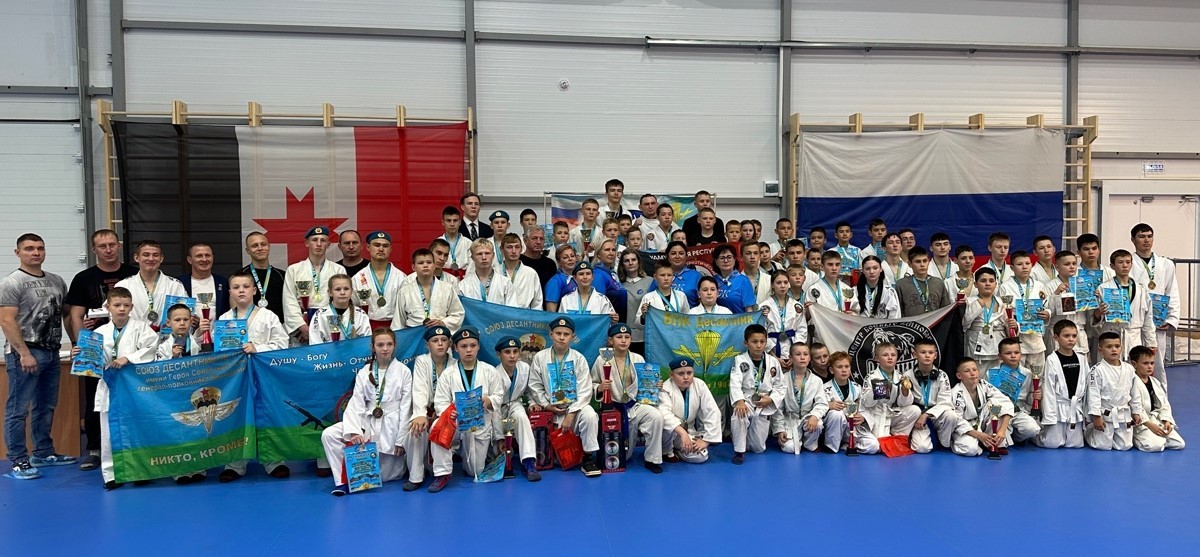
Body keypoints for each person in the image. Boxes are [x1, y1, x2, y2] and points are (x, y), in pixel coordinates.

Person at [63, 229, 137, 471]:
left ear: (119, 246)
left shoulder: (132, 274)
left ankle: (135, 445)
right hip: (96, 346)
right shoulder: (84, 278)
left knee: (133, 396)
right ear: (94, 249)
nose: (108, 250)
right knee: (96, 398)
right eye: (102, 246)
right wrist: (81, 346)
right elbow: (76, 315)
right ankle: (95, 449)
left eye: (112, 245)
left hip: (128, 344)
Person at [1, 233, 73, 479]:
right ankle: (18, 460)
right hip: (25, 353)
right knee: (18, 409)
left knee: (46, 406)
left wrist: (77, 342)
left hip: (52, 352)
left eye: (40, 248)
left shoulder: (57, 280)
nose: (35, 252)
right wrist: (23, 353)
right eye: (29, 248)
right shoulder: (12, 282)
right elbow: (6, 320)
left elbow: (66, 314)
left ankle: (43, 452)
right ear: (18, 252)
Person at [216, 272, 290, 483]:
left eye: (245, 286)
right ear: (230, 292)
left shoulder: (268, 316)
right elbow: (219, 350)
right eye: (236, 287)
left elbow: (282, 343)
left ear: (254, 290)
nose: (241, 290)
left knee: (266, 415)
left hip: (263, 376)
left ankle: (274, 461)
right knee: (236, 416)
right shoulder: (224, 320)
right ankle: (235, 464)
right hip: (235, 379)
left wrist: (258, 348)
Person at [323, 328, 414, 496]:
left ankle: (361, 475)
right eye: (380, 345)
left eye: (389, 344)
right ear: (373, 347)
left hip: (392, 425)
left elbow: (406, 407)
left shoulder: (404, 372)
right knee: (329, 434)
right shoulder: (365, 372)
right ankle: (342, 482)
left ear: (395, 346)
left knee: (386, 476)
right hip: (369, 421)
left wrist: (401, 440)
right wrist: (355, 430)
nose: (385, 349)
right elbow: (356, 403)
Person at [86, 287, 159, 489]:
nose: (121, 309)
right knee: (109, 432)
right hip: (110, 387)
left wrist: (128, 358)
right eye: (117, 305)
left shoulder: (141, 328)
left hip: (135, 387)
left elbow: (151, 348)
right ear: (108, 307)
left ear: (131, 307)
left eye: (126, 305)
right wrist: (82, 354)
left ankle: (141, 472)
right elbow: (93, 362)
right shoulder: (99, 333)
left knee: (137, 429)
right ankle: (111, 475)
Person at [428, 327, 505, 492]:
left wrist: (489, 401)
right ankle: (442, 473)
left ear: (478, 347)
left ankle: (466, 457)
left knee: (474, 471)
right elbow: (440, 401)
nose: (468, 350)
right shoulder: (448, 374)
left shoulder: (490, 371)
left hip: (479, 423)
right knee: (436, 426)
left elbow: (499, 395)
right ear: (455, 348)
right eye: (463, 346)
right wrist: (449, 412)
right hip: (455, 423)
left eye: (472, 345)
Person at [528, 317, 602, 477]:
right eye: (558, 333)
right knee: (555, 459)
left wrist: (571, 414)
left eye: (566, 334)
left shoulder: (578, 358)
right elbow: (535, 385)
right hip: (551, 410)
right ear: (551, 334)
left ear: (572, 337)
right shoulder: (540, 357)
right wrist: (546, 405)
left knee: (590, 415)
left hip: (574, 409)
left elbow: (585, 390)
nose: (562, 337)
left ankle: (588, 458)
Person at [591, 324, 665, 473]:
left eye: (627, 337)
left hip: (634, 405)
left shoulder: (638, 358)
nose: (623, 340)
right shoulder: (602, 359)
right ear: (610, 341)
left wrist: (655, 385)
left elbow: (645, 382)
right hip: (612, 408)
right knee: (625, 456)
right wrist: (599, 388)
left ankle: (652, 459)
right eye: (619, 337)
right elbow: (592, 383)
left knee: (656, 416)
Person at [155, 303, 209, 485]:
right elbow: (157, 370)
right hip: (174, 396)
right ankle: (180, 470)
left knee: (197, 430)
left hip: (195, 393)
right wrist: (172, 357)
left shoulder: (197, 342)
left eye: (186, 319)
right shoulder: (163, 346)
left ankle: (199, 467)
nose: (182, 323)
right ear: (168, 323)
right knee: (178, 432)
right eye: (177, 320)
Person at [1128, 223, 1180, 390]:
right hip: (1135, 322)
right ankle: (1135, 399)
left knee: (1156, 366)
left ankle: (1160, 400)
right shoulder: (1128, 263)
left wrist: (1171, 319)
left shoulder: (1166, 264)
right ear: (1133, 240)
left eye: (1149, 236)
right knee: (1134, 363)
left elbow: (1172, 291)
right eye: (1141, 237)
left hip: (1158, 322)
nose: (1146, 240)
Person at [404, 326, 455, 491]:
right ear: (427, 345)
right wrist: (420, 414)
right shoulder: (422, 361)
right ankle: (415, 476)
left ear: (449, 343)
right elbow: (419, 389)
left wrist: (442, 414)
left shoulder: (455, 364)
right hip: (425, 409)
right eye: (435, 341)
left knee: (440, 426)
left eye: (444, 340)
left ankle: (442, 473)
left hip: (447, 412)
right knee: (416, 429)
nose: (440, 344)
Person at [729, 324, 785, 464]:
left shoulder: (773, 362)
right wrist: (739, 401)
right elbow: (735, 382)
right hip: (746, 398)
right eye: (754, 342)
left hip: (764, 401)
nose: (759, 345)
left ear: (766, 342)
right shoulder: (740, 360)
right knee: (738, 414)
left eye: (762, 341)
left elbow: (780, 386)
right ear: (746, 343)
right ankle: (739, 451)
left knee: (758, 448)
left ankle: (742, 438)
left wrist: (771, 399)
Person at [281, 227, 347, 344]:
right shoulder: (294, 269)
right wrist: (301, 326)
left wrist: (330, 327)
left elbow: (342, 300)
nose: (319, 244)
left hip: (330, 325)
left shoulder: (338, 270)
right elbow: (289, 300)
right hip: (302, 326)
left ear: (328, 244)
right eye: (314, 240)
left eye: (323, 240)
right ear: (307, 243)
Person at [856, 342, 920, 455]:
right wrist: (878, 389)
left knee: (915, 410)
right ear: (877, 359)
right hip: (876, 414)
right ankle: (853, 443)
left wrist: (905, 391)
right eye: (885, 355)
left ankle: (897, 435)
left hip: (891, 413)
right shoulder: (871, 377)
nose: (890, 357)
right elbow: (867, 403)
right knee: (879, 447)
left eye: (893, 355)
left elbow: (904, 404)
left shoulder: (900, 377)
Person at [493, 336, 542, 481]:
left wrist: (532, 403)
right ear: (499, 354)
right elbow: (494, 407)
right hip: (497, 410)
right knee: (496, 452)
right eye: (507, 352)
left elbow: (529, 390)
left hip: (514, 404)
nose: (512, 356)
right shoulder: (494, 373)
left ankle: (529, 461)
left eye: (515, 351)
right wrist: (499, 437)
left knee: (521, 416)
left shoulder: (525, 368)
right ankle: (505, 459)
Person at [1094, 249, 1156, 361]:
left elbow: (1148, 317)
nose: (1125, 265)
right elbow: (1095, 316)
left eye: (1128, 262)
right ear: (1112, 266)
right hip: (1111, 334)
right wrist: (1099, 313)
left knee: (1133, 368)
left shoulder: (1141, 289)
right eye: (1120, 262)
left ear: (1131, 264)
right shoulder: (1103, 288)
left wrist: (1151, 342)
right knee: (1110, 368)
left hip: (1133, 335)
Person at [1086, 332, 1144, 451]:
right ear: (1100, 350)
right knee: (1102, 446)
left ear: (1121, 348)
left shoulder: (1129, 369)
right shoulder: (1097, 370)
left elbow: (1135, 393)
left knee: (1125, 446)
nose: (1114, 350)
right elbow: (1093, 394)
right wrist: (1096, 416)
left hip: (1123, 414)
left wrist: (1136, 411)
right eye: (1109, 347)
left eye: (1117, 346)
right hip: (1105, 414)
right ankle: (1088, 431)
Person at [658, 356, 721, 464]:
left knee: (700, 457)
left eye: (689, 373)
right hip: (671, 432)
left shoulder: (700, 385)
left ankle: (678, 450)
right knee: (664, 425)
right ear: (671, 375)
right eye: (681, 374)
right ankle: (667, 451)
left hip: (689, 430)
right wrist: (683, 433)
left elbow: (712, 411)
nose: (686, 377)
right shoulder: (664, 388)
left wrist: (706, 440)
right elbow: (664, 414)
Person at [1036, 320, 1089, 449]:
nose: (1071, 339)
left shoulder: (1082, 359)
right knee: (1052, 443)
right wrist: (1049, 416)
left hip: (1075, 406)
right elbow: (1048, 388)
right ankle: (1036, 437)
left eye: (1074, 336)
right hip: (1058, 407)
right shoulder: (1052, 359)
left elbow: (1087, 386)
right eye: (1066, 336)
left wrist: (1088, 412)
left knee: (1076, 444)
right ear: (1056, 338)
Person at [946, 358, 1014, 457]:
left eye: (974, 370)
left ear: (978, 371)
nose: (972, 373)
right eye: (967, 371)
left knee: (995, 403)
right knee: (971, 450)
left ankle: (993, 443)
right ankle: (971, 442)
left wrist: (1002, 430)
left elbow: (1006, 402)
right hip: (966, 428)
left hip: (980, 422)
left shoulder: (984, 384)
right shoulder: (956, 393)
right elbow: (958, 421)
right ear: (959, 376)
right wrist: (979, 435)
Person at [114, 239, 188, 329]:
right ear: (136, 258)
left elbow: (186, 314)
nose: (151, 259)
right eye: (146, 255)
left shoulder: (175, 285)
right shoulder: (123, 286)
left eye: (155, 255)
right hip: (133, 335)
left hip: (167, 336)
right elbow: (114, 315)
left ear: (161, 258)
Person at [998, 250, 1051, 374]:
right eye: (1020, 264)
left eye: (1027, 263)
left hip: (1036, 337)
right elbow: (1003, 312)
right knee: (1017, 375)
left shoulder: (1039, 286)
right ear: (1012, 268)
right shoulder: (1005, 286)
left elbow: (1046, 305)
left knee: (1038, 376)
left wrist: (1047, 313)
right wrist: (1013, 324)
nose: (1024, 267)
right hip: (1017, 338)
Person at [771, 343, 828, 454]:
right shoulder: (783, 379)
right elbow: (778, 407)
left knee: (818, 424)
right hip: (790, 419)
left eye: (805, 354)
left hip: (808, 418)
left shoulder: (817, 381)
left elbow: (822, 404)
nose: (802, 357)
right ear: (791, 358)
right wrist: (780, 430)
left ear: (809, 358)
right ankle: (795, 440)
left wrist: (815, 416)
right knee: (789, 448)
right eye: (798, 354)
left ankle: (809, 443)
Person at [392, 249, 464, 332]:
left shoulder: (447, 288)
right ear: (413, 267)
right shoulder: (404, 292)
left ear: (434, 265)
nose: (425, 265)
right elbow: (398, 322)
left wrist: (443, 322)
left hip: (440, 334)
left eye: (429, 262)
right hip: (414, 335)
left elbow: (458, 314)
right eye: (421, 263)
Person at [985, 338, 1041, 444]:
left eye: (1016, 352)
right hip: (999, 412)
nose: (1013, 356)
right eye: (1008, 353)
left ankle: (1016, 437)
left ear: (1021, 354)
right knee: (1000, 441)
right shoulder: (991, 373)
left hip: (1018, 410)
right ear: (1000, 356)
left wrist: (1035, 396)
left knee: (1032, 429)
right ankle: (1006, 436)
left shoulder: (1027, 373)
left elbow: (1029, 395)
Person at [1130, 345, 1184, 452]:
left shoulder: (1155, 382)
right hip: (1141, 422)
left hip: (1156, 419)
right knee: (1156, 446)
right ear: (1134, 364)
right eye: (1145, 363)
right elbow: (1135, 407)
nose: (1150, 367)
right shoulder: (1131, 382)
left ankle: (1156, 438)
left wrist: (1167, 421)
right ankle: (1135, 438)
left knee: (1179, 443)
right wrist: (1149, 425)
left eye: (1152, 363)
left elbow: (1164, 404)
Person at [351, 231, 406, 331]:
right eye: (377, 245)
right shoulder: (357, 278)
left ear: (390, 249)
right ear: (368, 247)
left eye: (385, 246)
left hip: (395, 328)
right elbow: (352, 307)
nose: (381, 249)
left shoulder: (401, 277)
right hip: (366, 328)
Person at [907, 339, 955, 453]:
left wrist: (927, 414)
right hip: (918, 414)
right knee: (922, 448)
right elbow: (904, 402)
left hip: (936, 414)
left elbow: (945, 401)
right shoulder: (908, 375)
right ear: (915, 354)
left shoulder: (942, 375)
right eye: (923, 352)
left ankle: (944, 443)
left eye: (931, 352)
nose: (927, 355)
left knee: (951, 415)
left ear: (935, 355)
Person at [962, 267, 1011, 372]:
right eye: (983, 281)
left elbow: (1008, 328)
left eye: (991, 281)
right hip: (976, 347)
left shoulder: (1002, 302)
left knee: (996, 377)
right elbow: (964, 324)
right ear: (975, 284)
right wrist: (977, 306)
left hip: (997, 346)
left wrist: (1013, 326)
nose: (988, 284)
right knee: (977, 376)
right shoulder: (969, 302)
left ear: (996, 284)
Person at [1044, 250, 1090, 356]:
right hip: (1058, 332)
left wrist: (1093, 298)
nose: (1072, 267)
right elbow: (1047, 312)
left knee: (1081, 363)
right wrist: (1056, 293)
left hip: (1078, 331)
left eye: (1074, 263)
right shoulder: (1049, 286)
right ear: (1057, 267)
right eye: (1067, 264)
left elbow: (1090, 311)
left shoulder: (1082, 285)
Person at [308, 274, 371, 343]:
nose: (342, 292)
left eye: (346, 289)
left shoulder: (361, 314)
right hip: (328, 350)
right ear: (330, 292)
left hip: (357, 350)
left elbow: (367, 341)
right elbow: (315, 342)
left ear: (351, 291)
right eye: (338, 289)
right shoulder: (320, 315)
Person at [238, 232, 286, 322]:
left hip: (279, 327)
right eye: (255, 246)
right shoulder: (240, 276)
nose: (260, 248)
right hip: (250, 326)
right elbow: (235, 306)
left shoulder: (282, 275)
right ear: (247, 250)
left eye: (263, 244)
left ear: (269, 247)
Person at [761, 270, 807, 364]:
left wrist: (795, 354)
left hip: (793, 350)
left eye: (785, 282)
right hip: (772, 351)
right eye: (778, 283)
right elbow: (762, 333)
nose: (783, 286)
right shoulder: (764, 307)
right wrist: (773, 355)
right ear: (772, 285)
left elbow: (802, 330)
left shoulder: (797, 306)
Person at [821, 351, 863, 454]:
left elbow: (864, 408)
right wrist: (828, 406)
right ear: (831, 370)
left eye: (846, 366)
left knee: (872, 446)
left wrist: (862, 416)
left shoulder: (857, 388)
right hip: (833, 427)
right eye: (839, 367)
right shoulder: (824, 388)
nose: (844, 370)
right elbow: (816, 407)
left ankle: (847, 444)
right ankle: (831, 446)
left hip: (852, 427)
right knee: (836, 413)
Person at [177, 242, 229, 321]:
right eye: (199, 256)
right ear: (190, 260)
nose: (204, 259)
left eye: (207, 255)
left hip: (218, 328)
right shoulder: (179, 283)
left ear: (212, 258)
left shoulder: (223, 283)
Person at [896, 247, 952, 316]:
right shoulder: (901, 284)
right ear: (910, 264)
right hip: (911, 322)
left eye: (925, 261)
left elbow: (945, 310)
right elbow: (898, 312)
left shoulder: (938, 283)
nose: (922, 265)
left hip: (935, 322)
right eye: (918, 262)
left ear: (928, 262)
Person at [618, 250, 654, 353]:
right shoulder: (618, 284)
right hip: (624, 335)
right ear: (622, 265)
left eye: (633, 260)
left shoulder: (650, 281)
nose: (630, 263)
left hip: (645, 335)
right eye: (626, 261)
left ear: (639, 262)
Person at [459, 239, 513, 305]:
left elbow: (512, 309)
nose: (484, 257)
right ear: (472, 257)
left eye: (487, 253)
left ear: (493, 256)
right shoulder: (463, 285)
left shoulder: (505, 283)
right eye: (479, 254)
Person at [499, 233, 544, 310]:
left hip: (525, 315)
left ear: (521, 249)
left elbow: (537, 303)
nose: (514, 251)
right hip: (499, 315)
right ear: (501, 249)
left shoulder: (531, 273)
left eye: (517, 247)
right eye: (509, 247)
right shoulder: (495, 272)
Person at [810, 251, 858, 319]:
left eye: (837, 264)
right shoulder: (814, 289)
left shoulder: (847, 289)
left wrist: (853, 314)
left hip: (844, 324)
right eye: (830, 264)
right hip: (824, 325)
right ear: (822, 267)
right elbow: (811, 316)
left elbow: (856, 311)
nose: (834, 268)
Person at [710, 244, 756, 313]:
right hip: (717, 320)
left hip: (739, 319)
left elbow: (749, 310)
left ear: (734, 259)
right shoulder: (712, 281)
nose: (726, 261)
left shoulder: (743, 281)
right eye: (722, 258)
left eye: (729, 257)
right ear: (716, 261)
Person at [543, 244, 580, 312]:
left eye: (572, 256)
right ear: (558, 262)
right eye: (565, 257)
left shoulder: (578, 278)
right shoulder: (554, 282)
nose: (570, 259)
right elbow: (551, 311)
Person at [665, 241, 701, 306]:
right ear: (667, 256)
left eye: (681, 253)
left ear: (686, 256)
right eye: (673, 253)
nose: (677, 256)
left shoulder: (696, 276)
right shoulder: (661, 275)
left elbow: (703, 303)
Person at [439, 206, 472, 270]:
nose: (452, 224)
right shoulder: (437, 243)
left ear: (460, 222)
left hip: (465, 275)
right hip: (443, 275)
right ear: (443, 222)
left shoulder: (468, 243)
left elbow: (472, 267)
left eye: (455, 221)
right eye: (448, 221)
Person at [929, 232, 959, 298]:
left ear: (950, 247)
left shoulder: (958, 267)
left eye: (945, 244)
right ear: (931, 248)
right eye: (938, 245)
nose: (942, 247)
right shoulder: (926, 269)